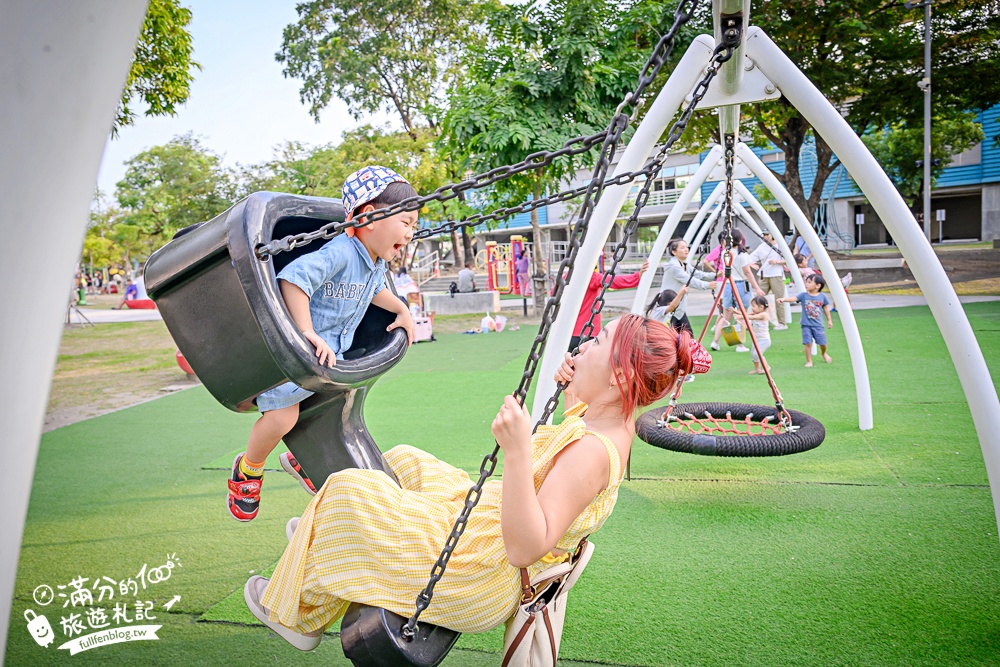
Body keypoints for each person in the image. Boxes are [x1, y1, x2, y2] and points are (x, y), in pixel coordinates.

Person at [243, 314, 695, 650]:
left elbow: (526, 546)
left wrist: (517, 453)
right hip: (485, 524)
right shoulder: (606, 419)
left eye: (597, 342)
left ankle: (297, 618)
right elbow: (575, 433)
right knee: (405, 463)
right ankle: (325, 540)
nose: (584, 345)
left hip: (482, 572)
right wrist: (574, 388)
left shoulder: (595, 452)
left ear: (619, 377)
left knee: (348, 492)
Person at [228, 166, 418, 522]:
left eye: (413, 226)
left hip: (331, 358)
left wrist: (401, 310)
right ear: (369, 217)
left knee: (332, 409)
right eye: (406, 222)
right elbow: (292, 281)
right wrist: (307, 332)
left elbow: (374, 290)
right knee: (284, 417)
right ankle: (249, 468)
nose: (410, 233)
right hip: (299, 359)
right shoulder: (341, 251)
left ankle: (303, 458)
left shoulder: (372, 260)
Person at [568, 260, 648, 351]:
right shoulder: (589, 277)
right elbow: (612, 281)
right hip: (587, 333)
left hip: (569, 334)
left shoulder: (567, 278)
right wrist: (636, 277)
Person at [709, 230, 763, 353]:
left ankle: (715, 342)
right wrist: (757, 288)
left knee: (725, 315)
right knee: (741, 315)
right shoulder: (742, 255)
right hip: (741, 285)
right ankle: (740, 345)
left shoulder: (724, 253)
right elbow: (747, 273)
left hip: (728, 284)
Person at [658, 238, 715, 334]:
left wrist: (715, 275)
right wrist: (707, 285)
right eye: (682, 248)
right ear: (674, 252)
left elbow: (697, 274)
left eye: (687, 247)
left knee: (688, 337)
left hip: (678, 309)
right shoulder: (674, 267)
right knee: (674, 338)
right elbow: (690, 280)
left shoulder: (684, 265)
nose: (686, 249)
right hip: (669, 307)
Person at [778, 274, 834, 367]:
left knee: (823, 343)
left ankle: (824, 353)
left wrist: (829, 320)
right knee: (808, 343)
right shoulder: (803, 295)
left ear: (818, 285)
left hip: (818, 325)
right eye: (806, 282)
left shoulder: (822, 297)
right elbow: (793, 298)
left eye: (809, 282)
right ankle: (809, 361)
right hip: (806, 325)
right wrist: (784, 299)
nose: (806, 284)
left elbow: (826, 308)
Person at [748, 231, 788, 330]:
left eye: (767, 235)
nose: (765, 237)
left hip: (777, 275)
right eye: (764, 235)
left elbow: (788, 259)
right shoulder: (761, 247)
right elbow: (751, 258)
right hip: (764, 275)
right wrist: (752, 264)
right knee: (758, 300)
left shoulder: (780, 246)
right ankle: (752, 321)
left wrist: (777, 262)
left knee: (779, 299)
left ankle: (782, 322)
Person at [738, 295, 772, 374]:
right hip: (756, 339)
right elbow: (746, 314)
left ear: (761, 307)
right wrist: (735, 312)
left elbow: (751, 317)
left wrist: (740, 316)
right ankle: (757, 369)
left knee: (757, 354)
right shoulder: (755, 313)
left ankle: (767, 367)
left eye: (753, 306)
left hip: (764, 340)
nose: (752, 308)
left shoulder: (763, 315)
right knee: (753, 355)